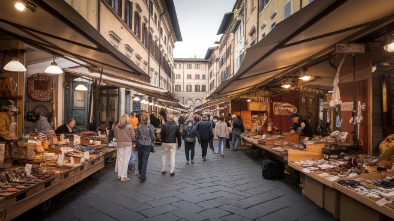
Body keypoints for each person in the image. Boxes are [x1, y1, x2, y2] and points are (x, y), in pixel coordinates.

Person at [114, 114, 135, 181]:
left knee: (120, 160)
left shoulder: (117, 127)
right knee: (126, 160)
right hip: (128, 145)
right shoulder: (129, 127)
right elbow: (133, 136)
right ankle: (124, 176)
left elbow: (115, 136)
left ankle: (119, 175)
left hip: (120, 144)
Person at [135, 114, 155, 183]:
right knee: (145, 160)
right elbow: (153, 136)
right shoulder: (150, 127)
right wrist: (153, 141)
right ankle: (142, 177)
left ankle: (140, 172)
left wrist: (137, 141)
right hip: (148, 144)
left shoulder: (139, 127)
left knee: (140, 158)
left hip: (140, 144)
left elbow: (136, 136)